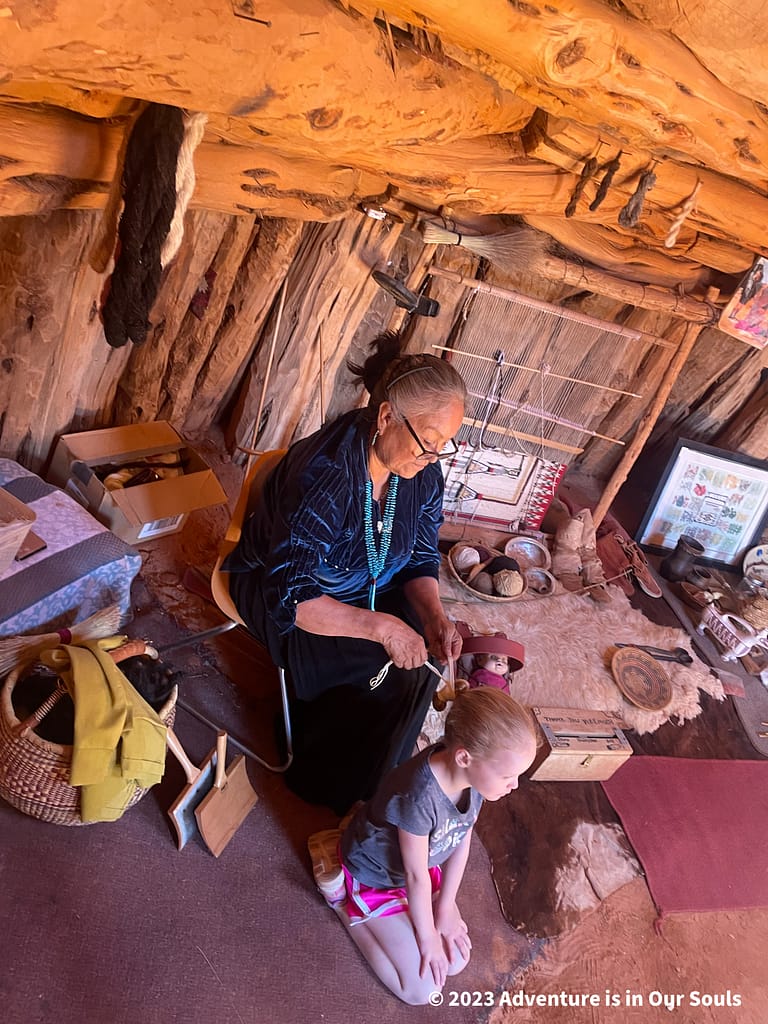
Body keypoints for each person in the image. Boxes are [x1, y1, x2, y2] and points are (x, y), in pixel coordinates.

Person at [224, 332, 467, 814]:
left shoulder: (421, 472)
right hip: (285, 594)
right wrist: (383, 627)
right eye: (429, 442)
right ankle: (323, 783)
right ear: (385, 418)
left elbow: (419, 554)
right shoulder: (327, 474)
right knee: (393, 669)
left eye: (446, 445)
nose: (434, 456)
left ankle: (376, 783)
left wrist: (435, 614)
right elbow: (290, 595)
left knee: (424, 656)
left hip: (362, 583)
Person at [332, 687, 538, 1005]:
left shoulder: (475, 778)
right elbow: (415, 876)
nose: (515, 786)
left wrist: (444, 905)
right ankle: (340, 905)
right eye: (509, 776)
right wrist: (426, 937)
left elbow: (461, 840)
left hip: (422, 868)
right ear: (464, 757)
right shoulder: (418, 796)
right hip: (379, 877)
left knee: (455, 960)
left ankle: (415, 920)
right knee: (423, 990)